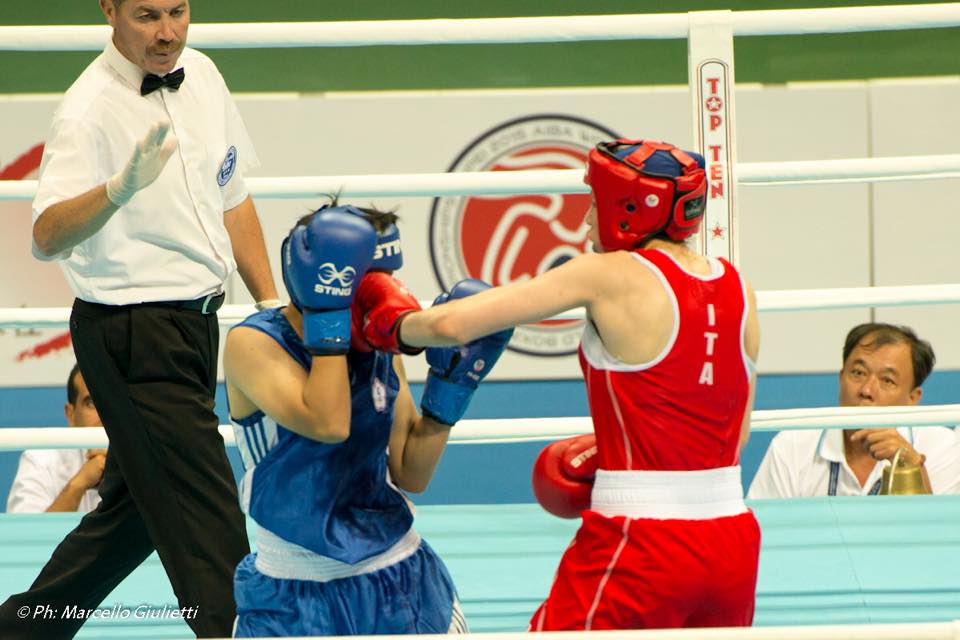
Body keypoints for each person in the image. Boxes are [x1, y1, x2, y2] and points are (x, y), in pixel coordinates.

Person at [399, 139, 762, 630]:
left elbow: (451, 326)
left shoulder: (606, 274)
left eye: (594, 202)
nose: (586, 219)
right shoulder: (739, 287)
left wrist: (385, 325)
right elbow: (732, 437)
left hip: (644, 540)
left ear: (627, 207)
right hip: (733, 541)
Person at [0, 1, 279, 637]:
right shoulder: (87, 108)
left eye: (178, 11)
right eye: (148, 14)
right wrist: (117, 190)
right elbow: (45, 236)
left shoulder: (201, 75)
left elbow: (232, 197)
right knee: (208, 525)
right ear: (110, 10)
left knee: (127, 519)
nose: (167, 32)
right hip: (132, 333)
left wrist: (268, 305)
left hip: (196, 328)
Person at [225, 203, 511, 637]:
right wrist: (329, 323)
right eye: (367, 282)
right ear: (327, 281)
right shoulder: (254, 343)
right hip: (292, 589)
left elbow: (411, 473)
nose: (382, 294)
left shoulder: (377, 348)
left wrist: (449, 392)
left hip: (398, 576)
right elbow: (328, 423)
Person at [748, 323, 960, 498]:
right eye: (858, 373)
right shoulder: (792, 447)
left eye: (887, 380)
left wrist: (912, 466)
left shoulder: (942, 447)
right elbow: (763, 534)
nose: (867, 390)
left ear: (913, 398)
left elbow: (943, 539)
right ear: (841, 378)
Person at [7, 364, 106, 514]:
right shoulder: (40, 461)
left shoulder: (148, 455)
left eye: (113, 400)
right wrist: (78, 484)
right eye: (91, 403)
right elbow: (26, 535)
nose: (105, 414)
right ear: (71, 414)